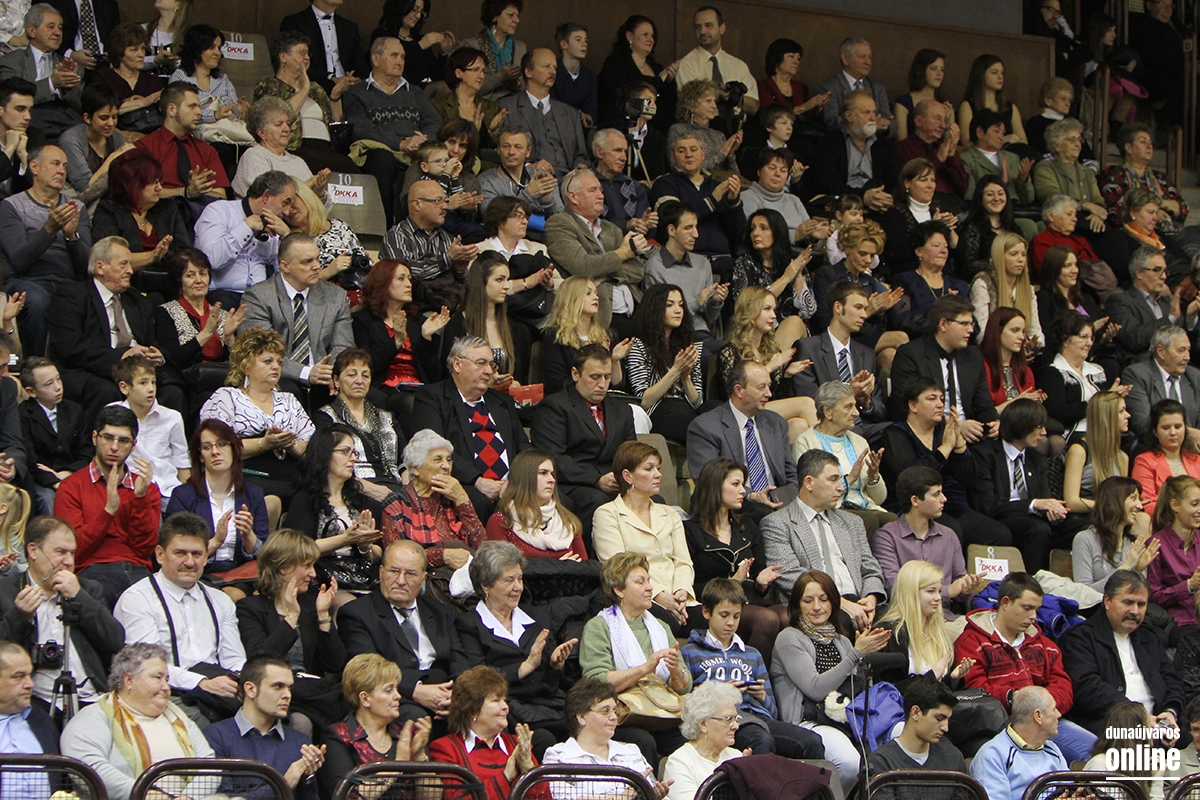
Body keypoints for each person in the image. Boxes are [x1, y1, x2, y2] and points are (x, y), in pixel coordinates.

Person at [954, 572, 1096, 762]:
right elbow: (976, 690)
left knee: (1098, 752)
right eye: (1027, 608)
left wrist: (1042, 707)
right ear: (1006, 602)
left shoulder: (1044, 644)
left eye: (1036, 609)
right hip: (1000, 726)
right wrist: (1017, 700)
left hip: (1046, 721)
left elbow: (1062, 685)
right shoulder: (971, 642)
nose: (1033, 616)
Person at [113, 512, 247, 713]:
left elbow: (234, 659)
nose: (190, 562)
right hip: (163, 695)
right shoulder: (137, 599)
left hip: (219, 689)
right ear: (160, 554)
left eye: (197, 554)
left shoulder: (220, 600)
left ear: (205, 556)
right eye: (180, 553)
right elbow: (146, 668)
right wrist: (202, 682)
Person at [49, 236, 189, 424]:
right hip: (92, 369)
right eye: (123, 264)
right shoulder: (71, 296)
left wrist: (158, 355)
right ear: (100, 267)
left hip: (137, 372)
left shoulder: (137, 300)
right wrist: (121, 356)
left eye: (130, 264)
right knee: (106, 391)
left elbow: (152, 342)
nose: (130, 270)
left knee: (173, 391)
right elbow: (70, 347)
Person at [770, 569, 888, 792]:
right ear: (797, 605)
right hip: (808, 721)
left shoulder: (842, 641)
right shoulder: (789, 638)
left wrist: (863, 658)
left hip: (845, 718)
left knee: (890, 747)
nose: (817, 607)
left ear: (833, 603)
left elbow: (853, 686)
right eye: (808, 600)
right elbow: (815, 689)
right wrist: (856, 654)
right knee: (850, 763)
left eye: (823, 599)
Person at [60, 643, 218, 800]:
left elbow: (210, 765)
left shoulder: (180, 718)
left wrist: (188, 797)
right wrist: (143, 794)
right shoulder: (93, 718)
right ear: (129, 680)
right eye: (157, 677)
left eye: (167, 679)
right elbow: (88, 768)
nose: (166, 687)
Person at [455, 541, 577, 743]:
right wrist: (525, 666)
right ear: (486, 585)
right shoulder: (469, 625)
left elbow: (556, 681)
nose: (518, 587)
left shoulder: (537, 616)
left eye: (520, 578)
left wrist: (556, 664)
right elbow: (477, 682)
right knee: (544, 738)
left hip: (548, 702)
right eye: (509, 580)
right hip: (507, 705)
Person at [0, 516, 124, 710]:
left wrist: (79, 597)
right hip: (34, 702)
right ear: (33, 551)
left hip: (91, 699)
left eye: (72, 553)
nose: (68, 562)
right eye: (60, 552)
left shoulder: (87, 589)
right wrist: (20, 615)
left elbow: (114, 641)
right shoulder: (5, 592)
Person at [578, 551, 692, 761]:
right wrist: (646, 669)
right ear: (619, 590)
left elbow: (685, 687)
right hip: (621, 716)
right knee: (643, 741)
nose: (650, 587)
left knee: (693, 739)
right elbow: (597, 681)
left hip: (663, 713)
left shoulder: (661, 627)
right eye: (640, 582)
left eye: (649, 580)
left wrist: (676, 671)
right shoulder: (599, 626)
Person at [337, 540, 467, 724]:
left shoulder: (441, 612)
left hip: (444, 693)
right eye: (394, 571)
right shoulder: (357, 614)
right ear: (381, 572)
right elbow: (367, 671)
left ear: (423, 579)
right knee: (416, 717)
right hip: (395, 697)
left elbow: (459, 660)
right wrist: (416, 690)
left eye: (410, 574)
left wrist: (456, 695)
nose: (400, 581)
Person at [761, 446, 887, 627]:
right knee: (843, 622)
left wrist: (871, 598)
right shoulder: (778, 523)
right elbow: (788, 575)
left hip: (859, 601)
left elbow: (870, 568)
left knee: (898, 622)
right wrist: (839, 603)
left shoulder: (852, 522)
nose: (841, 488)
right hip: (815, 607)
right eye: (833, 480)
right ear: (809, 483)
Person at [234, 530, 346, 732]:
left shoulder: (311, 604)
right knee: (301, 722)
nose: (313, 574)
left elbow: (335, 664)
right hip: (273, 692)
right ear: (283, 567)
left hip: (310, 693)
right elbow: (260, 660)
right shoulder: (250, 608)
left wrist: (323, 616)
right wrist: (291, 616)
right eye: (307, 566)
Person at [880, 377, 1011, 548]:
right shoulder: (895, 434)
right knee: (950, 530)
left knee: (999, 534)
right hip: (915, 507)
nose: (940, 404)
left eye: (942, 399)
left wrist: (959, 445)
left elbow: (970, 479)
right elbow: (913, 476)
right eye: (932, 398)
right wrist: (946, 448)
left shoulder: (945, 431)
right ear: (913, 405)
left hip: (952, 506)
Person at [409, 336, 530, 518]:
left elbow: (523, 447)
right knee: (478, 501)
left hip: (509, 486)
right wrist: (477, 481)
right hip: (463, 483)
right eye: (481, 363)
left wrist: (516, 483)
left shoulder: (502, 402)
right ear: (457, 364)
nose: (489, 371)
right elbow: (432, 450)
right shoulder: (432, 398)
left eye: (491, 365)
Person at [54, 406, 160, 608]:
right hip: (91, 570)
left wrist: (139, 498)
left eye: (123, 441)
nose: (114, 447)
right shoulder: (71, 487)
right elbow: (73, 550)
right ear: (95, 437)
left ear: (133, 445)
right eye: (108, 438)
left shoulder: (146, 488)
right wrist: (108, 511)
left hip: (136, 571)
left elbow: (144, 549)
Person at [1061, 569, 1185, 736]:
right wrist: (1137, 716)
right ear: (1107, 601)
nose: (1135, 611)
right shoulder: (1080, 638)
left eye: (1141, 605)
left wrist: (1170, 711)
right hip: (1109, 725)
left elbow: (1173, 682)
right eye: (1128, 602)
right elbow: (1087, 689)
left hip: (1156, 723)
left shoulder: (1150, 638)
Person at [530, 344, 636, 536]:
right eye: (595, 377)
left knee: (655, 501)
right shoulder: (554, 407)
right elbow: (553, 458)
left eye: (607, 377)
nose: (603, 384)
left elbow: (631, 453)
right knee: (597, 501)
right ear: (575, 374)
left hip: (614, 482)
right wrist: (596, 479)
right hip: (573, 484)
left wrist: (623, 478)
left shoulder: (622, 410)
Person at [198, 328, 315, 500]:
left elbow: (313, 449)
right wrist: (264, 444)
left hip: (291, 475)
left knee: (315, 490)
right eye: (268, 361)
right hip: (247, 475)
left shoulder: (289, 400)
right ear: (246, 365)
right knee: (271, 495)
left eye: (279, 362)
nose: (276, 366)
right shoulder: (226, 397)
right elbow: (216, 446)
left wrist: (292, 445)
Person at [594, 440, 696, 630]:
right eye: (649, 468)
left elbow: (683, 562)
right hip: (639, 602)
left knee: (720, 622)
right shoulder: (607, 514)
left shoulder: (670, 513)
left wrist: (681, 591)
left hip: (679, 601)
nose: (658, 474)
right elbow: (619, 568)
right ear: (628, 476)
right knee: (670, 625)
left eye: (658, 468)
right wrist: (659, 595)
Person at [0, 143, 90, 358]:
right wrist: (49, 229)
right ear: (34, 167)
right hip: (27, 280)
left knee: (89, 299)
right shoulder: (11, 206)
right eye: (55, 164)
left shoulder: (76, 208)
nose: (61, 171)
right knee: (38, 301)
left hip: (67, 280)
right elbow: (20, 260)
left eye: (65, 166)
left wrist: (71, 237)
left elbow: (85, 266)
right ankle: (35, 364)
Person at [682, 452, 786, 637]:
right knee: (767, 619)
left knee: (788, 616)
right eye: (735, 484)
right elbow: (691, 585)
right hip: (716, 606)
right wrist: (731, 583)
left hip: (748, 600)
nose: (743, 491)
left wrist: (761, 584)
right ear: (715, 486)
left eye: (742, 484)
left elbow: (758, 577)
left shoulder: (747, 527)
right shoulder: (690, 531)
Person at [341, 36, 441, 229]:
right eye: (394, 56)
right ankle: (386, 229)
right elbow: (360, 128)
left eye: (402, 57)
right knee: (383, 160)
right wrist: (401, 143)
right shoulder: (358, 92)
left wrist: (422, 143)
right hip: (381, 150)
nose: (400, 61)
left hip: (417, 150)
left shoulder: (414, 92)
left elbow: (434, 122)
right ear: (376, 59)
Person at [240, 231, 354, 396]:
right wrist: (307, 373)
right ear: (285, 266)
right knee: (292, 390)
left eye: (317, 259)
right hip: (279, 377)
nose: (317, 266)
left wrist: (331, 373)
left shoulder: (336, 296)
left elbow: (343, 346)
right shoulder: (258, 297)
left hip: (325, 380)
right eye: (307, 261)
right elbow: (262, 352)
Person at [202, 655, 326, 800]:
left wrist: (307, 777)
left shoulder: (300, 743)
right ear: (250, 689)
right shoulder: (216, 737)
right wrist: (282, 785)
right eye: (278, 686)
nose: (287, 695)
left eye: (289, 688)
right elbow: (222, 797)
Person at [382, 429, 484, 604]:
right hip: (426, 584)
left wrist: (463, 501)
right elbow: (395, 557)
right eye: (438, 459)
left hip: (466, 580)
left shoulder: (454, 499)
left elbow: (483, 548)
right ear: (415, 468)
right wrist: (443, 555)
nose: (446, 466)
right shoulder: (397, 503)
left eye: (449, 460)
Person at [285, 424, 383, 603]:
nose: (353, 458)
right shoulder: (305, 500)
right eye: (345, 452)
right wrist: (345, 539)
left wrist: (365, 546)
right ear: (325, 454)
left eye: (354, 453)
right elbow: (297, 549)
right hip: (323, 582)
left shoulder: (363, 503)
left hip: (363, 577)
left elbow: (379, 552)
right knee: (353, 606)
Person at [971, 399, 1070, 573]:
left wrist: (1053, 513)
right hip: (1000, 517)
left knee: (1077, 524)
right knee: (1038, 529)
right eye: (1038, 427)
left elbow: (1044, 499)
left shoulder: (1037, 459)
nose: (1044, 432)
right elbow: (988, 505)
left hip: (1031, 518)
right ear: (1021, 425)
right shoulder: (985, 454)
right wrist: (1034, 504)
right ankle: (1030, 581)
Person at [544, 164, 648, 329]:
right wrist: (622, 254)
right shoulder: (559, 224)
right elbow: (583, 267)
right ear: (573, 197)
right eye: (593, 190)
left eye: (600, 190)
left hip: (636, 311)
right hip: (599, 318)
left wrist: (604, 276)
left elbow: (637, 270)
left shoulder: (611, 228)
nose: (601, 195)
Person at [166, 418, 270, 581]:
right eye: (207, 447)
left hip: (242, 577)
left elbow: (264, 554)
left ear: (233, 449)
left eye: (222, 444)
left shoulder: (253, 494)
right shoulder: (183, 495)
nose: (215, 452)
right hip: (196, 575)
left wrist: (248, 535)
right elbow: (175, 551)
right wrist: (215, 541)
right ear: (201, 456)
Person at [317, 652, 432, 799]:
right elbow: (345, 796)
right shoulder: (338, 736)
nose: (398, 696)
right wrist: (398, 765)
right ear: (365, 699)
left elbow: (433, 798)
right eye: (388, 690)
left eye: (396, 689)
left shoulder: (404, 734)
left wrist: (420, 756)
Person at [889, 294, 999, 440]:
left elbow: (983, 404)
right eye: (964, 324)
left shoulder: (973, 357)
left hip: (970, 436)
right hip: (927, 436)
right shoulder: (910, 355)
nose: (970, 330)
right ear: (944, 324)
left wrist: (994, 422)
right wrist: (954, 427)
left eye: (971, 324)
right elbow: (906, 408)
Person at [793, 381, 893, 536]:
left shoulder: (859, 441)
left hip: (864, 508)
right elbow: (812, 491)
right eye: (848, 407)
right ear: (828, 411)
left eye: (855, 406)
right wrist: (849, 479)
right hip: (829, 510)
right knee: (869, 521)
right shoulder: (806, 442)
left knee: (891, 520)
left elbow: (879, 499)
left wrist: (873, 477)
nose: (856, 413)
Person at [253, 30, 358, 176]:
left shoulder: (316, 89)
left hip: (326, 148)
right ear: (283, 57)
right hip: (296, 149)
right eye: (301, 53)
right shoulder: (268, 86)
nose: (307, 57)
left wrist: (335, 98)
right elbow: (281, 116)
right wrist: (304, 88)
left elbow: (336, 122)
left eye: (308, 53)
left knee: (352, 169)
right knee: (318, 166)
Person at [541, 677, 671, 794]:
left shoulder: (631, 751)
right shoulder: (558, 756)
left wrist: (654, 795)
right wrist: (623, 798)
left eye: (615, 711)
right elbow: (563, 797)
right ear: (581, 717)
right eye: (605, 711)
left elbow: (648, 790)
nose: (614, 717)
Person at [352, 259, 446, 420]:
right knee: (412, 403)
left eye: (409, 279)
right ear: (382, 283)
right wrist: (395, 341)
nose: (409, 284)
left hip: (419, 389)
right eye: (401, 278)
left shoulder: (418, 322)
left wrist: (426, 338)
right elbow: (365, 365)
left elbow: (435, 375)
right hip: (384, 390)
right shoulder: (363, 320)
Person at [429, 665, 540, 800]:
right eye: (496, 700)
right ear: (473, 711)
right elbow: (456, 798)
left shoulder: (518, 745)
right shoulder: (446, 749)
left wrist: (528, 767)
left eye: (504, 700)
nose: (505, 707)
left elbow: (545, 797)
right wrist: (505, 777)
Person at [872, 466, 975, 611]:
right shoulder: (886, 537)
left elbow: (960, 587)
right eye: (936, 494)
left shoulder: (948, 535)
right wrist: (948, 591)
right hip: (906, 616)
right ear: (915, 500)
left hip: (944, 616)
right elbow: (895, 588)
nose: (944, 499)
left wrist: (966, 587)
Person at [193, 170, 299, 306]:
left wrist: (286, 238)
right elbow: (212, 260)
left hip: (261, 297)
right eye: (285, 203)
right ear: (266, 196)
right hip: (224, 293)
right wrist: (246, 227)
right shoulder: (218, 211)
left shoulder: (276, 226)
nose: (287, 211)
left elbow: (290, 279)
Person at [714, 294, 814, 436]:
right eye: (767, 309)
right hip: (740, 412)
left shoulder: (771, 350)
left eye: (774, 310)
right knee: (807, 403)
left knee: (799, 425)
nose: (773, 315)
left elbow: (776, 397)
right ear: (750, 311)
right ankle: (831, 448)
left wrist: (786, 376)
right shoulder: (729, 351)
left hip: (764, 412)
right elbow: (733, 394)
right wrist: (769, 368)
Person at [314, 348, 406, 493]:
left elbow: (404, 458)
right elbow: (329, 465)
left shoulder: (387, 417)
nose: (359, 381)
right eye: (352, 375)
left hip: (396, 486)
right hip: (354, 489)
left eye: (365, 376)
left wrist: (409, 490)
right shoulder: (326, 416)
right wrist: (372, 490)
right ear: (336, 380)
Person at [381, 181, 478, 313]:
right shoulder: (397, 236)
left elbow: (462, 285)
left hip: (447, 309)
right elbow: (406, 275)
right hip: (409, 310)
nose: (445, 207)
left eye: (446, 201)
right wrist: (447, 259)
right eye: (438, 201)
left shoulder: (449, 239)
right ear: (417, 204)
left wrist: (459, 269)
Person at [92, 149, 191, 275]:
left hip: (168, 280)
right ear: (131, 185)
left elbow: (185, 253)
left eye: (159, 181)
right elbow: (108, 258)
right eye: (152, 183)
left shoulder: (168, 209)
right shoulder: (108, 211)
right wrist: (151, 256)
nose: (159, 188)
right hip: (126, 281)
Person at [440, 251, 532, 386]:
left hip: (506, 398)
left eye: (507, 279)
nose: (506, 286)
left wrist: (515, 384)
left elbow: (520, 375)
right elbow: (448, 376)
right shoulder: (457, 326)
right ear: (481, 283)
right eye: (499, 280)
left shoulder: (517, 330)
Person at [625, 284, 703, 443]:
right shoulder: (638, 346)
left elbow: (698, 403)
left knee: (713, 409)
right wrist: (675, 371)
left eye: (681, 305)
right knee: (677, 410)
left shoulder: (689, 347)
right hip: (658, 412)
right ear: (655, 309)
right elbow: (643, 401)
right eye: (670, 305)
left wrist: (685, 377)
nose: (678, 310)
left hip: (685, 410)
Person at [649, 134, 743, 263]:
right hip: (685, 260)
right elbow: (671, 218)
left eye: (693, 150)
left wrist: (733, 202)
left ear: (703, 155)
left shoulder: (717, 186)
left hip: (723, 259)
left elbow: (739, 231)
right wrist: (711, 201)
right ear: (673, 157)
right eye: (681, 151)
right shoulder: (664, 184)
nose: (688, 155)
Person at [154, 248, 242, 382]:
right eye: (190, 275)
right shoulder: (166, 312)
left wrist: (230, 338)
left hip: (222, 380)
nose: (199, 280)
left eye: (203, 274)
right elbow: (172, 359)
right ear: (179, 281)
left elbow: (238, 364)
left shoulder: (222, 315)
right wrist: (206, 332)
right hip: (185, 382)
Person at [497, 48, 587, 178]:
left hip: (569, 181)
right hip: (528, 179)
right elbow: (500, 152)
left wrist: (580, 167)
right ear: (528, 72)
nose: (553, 71)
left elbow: (581, 155)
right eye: (546, 66)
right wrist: (528, 167)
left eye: (554, 67)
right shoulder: (507, 107)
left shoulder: (570, 113)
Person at [134, 81, 230, 202]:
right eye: (192, 106)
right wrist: (185, 192)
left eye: (199, 107)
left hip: (200, 211)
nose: (199, 112)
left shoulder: (206, 151)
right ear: (172, 109)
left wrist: (198, 192)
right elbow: (140, 192)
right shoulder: (145, 147)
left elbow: (221, 196)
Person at [0, 4, 82, 144]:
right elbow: (11, 98)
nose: (57, 32)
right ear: (32, 31)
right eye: (51, 27)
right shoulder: (12, 61)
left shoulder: (69, 65)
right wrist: (51, 84)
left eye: (60, 28)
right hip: (33, 120)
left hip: (68, 122)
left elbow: (82, 105)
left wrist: (69, 87)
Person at [19, 357, 91, 514]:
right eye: (49, 384)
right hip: (40, 480)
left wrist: (67, 474)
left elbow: (86, 451)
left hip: (72, 474)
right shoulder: (23, 414)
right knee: (48, 500)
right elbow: (29, 459)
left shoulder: (74, 410)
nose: (58, 387)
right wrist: (53, 480)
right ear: (31, 391)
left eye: (58, 379)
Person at [644, 201, 725, 341]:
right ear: (671, 230)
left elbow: (710, 319)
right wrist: (697, 302)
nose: (696, 234)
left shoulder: (702, 264)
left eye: (696, 227)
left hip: (702, 334)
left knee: (729, 350)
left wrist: (715, 302)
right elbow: (657, 319)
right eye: (688, 228)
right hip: (673, 337)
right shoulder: (655, 267)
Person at [969, 686, 1068, 800]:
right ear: (1038, 716)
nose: (1059, 714)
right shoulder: (992, 755)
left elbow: (1069, 791)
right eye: (1054, 709)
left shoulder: (1052, 749)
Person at [484, 450, 587, 560]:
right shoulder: (501, 522)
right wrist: (558, 566)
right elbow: (501, 569)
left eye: (552, 474)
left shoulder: (568, 521)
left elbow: (585, 566)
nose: (552, 480)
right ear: (525, 477)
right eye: (543, 473)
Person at [809, 90, 898, 215]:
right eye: (866, 112)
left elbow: (893, 180)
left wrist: (881, 198)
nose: (873, 117)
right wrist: (862, 196)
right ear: (849, 116)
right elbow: (827, 185)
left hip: (878, 206)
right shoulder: (829, 143)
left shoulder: (883, 145)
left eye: (874, 112)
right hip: (842, 207)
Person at [729, 210, 816, 338]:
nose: (755, 233)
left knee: (795, 322)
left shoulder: (793, 264)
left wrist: (797, 275)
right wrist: (786, 278)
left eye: (763, 228)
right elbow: (746, 308)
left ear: (777, 232)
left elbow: (808, 312)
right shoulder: (745, 265)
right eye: (753, 228)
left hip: (790, 335)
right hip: (756, 335)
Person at [1101, 123, 1193, 243]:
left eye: (1150, 143)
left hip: (1169, 234)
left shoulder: (1161, 177)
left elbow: (1183, 207)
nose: (1149, 146)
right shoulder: (1115, 174)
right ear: (1129, 148)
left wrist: (1157, 204)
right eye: (1143, 142)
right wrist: (1155, 213)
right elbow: (1118, 210)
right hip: (1132, 236)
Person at [1109, 248, 1199, 366]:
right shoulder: (1120, 301)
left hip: (1181, 369)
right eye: (1157, 270)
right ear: (1139, 273)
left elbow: (1189, 348)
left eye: (1165, 271)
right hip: (1145, 368)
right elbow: (1134, 339)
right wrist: (1170, 318)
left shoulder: (1168, 303)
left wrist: (1190, 319)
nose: (1164, 276)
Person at [662, 681, 748, 800]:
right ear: (703, 724)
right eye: (728, 719)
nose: (736, 726)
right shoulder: (680, 762)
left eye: (736, 719)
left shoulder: (736, 756)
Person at [1074, 477, 1158, 592]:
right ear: (1114, 501)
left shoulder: (1132, 543)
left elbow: (1137, 595)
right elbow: (1083, 592)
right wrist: (1127, 567)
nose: (1140, 506)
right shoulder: (1085, 539)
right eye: (1133, 498)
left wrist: (1138, 570)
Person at [867, 676, 968, 773]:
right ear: (915, 713)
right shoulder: (882, 762)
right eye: (939, 718)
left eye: (947, 719)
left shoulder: (952, 758)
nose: (946, 728)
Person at [1037, 311, 1115, 435]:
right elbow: (1058, 413)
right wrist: (1100, 402)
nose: (1089, 343)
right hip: (1073, 434)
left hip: (1103, 432)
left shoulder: (1097, 370)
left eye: (1091, 338)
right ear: (1065, 339)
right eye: (1083, 337)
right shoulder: (1052, 372)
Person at [889, 221, 969, 340]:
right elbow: (903, 321)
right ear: (919, 251)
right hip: (919, 344)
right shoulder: (904, 281)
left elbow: (974, 327)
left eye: (946, 246)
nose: (943, 251)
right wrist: (945, 312)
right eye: (936, 245)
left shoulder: (959, 285)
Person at [675, 6, 759, 117]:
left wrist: (734, 97)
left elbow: (754, 107)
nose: (702, 31)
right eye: (698, 27)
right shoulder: (687, 64)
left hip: (736, 124)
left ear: (722, 28)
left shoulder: (739, 66)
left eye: (708, 25)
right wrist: (717, 93)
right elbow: (690, 102)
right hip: (701, 124)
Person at [231, 97, 323, 199]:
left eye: (288, 124)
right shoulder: (254, 156)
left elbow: (323, 205)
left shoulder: (298, 161)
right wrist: (307, 186)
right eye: (279, 124)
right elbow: (267, 198)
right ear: (262, 133)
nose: (286, 129)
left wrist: (319, 193)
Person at [596, 15, 677, 131]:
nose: (650, 39)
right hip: (622, 127)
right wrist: (658, 80)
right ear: (629, 36)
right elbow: (627, 95)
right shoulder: (616, 63)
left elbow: (669, 106)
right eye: (645, 34)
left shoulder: (657, 68)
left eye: (652, 36)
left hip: (656, 130)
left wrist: (669, 81)